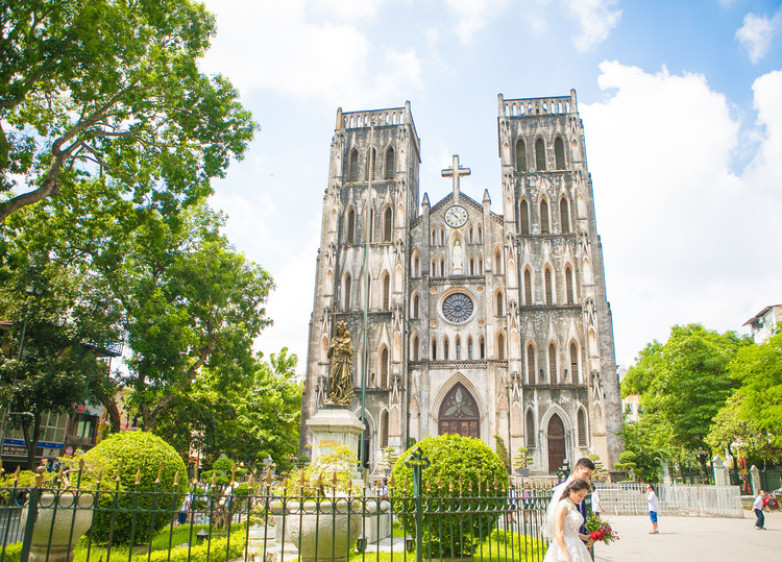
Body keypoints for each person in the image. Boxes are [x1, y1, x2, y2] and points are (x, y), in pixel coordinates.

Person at [542, 478, 594, 562]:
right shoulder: (563, 505)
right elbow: (558, 531)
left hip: (576, 544)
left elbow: (569, 529)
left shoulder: (573, 505)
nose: (581, 499)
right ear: (571, 491)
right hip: (566, 545)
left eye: (584, 496)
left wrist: (584, 537)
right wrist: (565, 553)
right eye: (579, 495)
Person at [546, 458, 595, 537]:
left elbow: (582, 512)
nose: (587, 478)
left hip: (579, 537)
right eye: (585, 474)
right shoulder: (561, 488)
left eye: (589, 476)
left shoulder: (582, 488)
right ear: (578, 469)